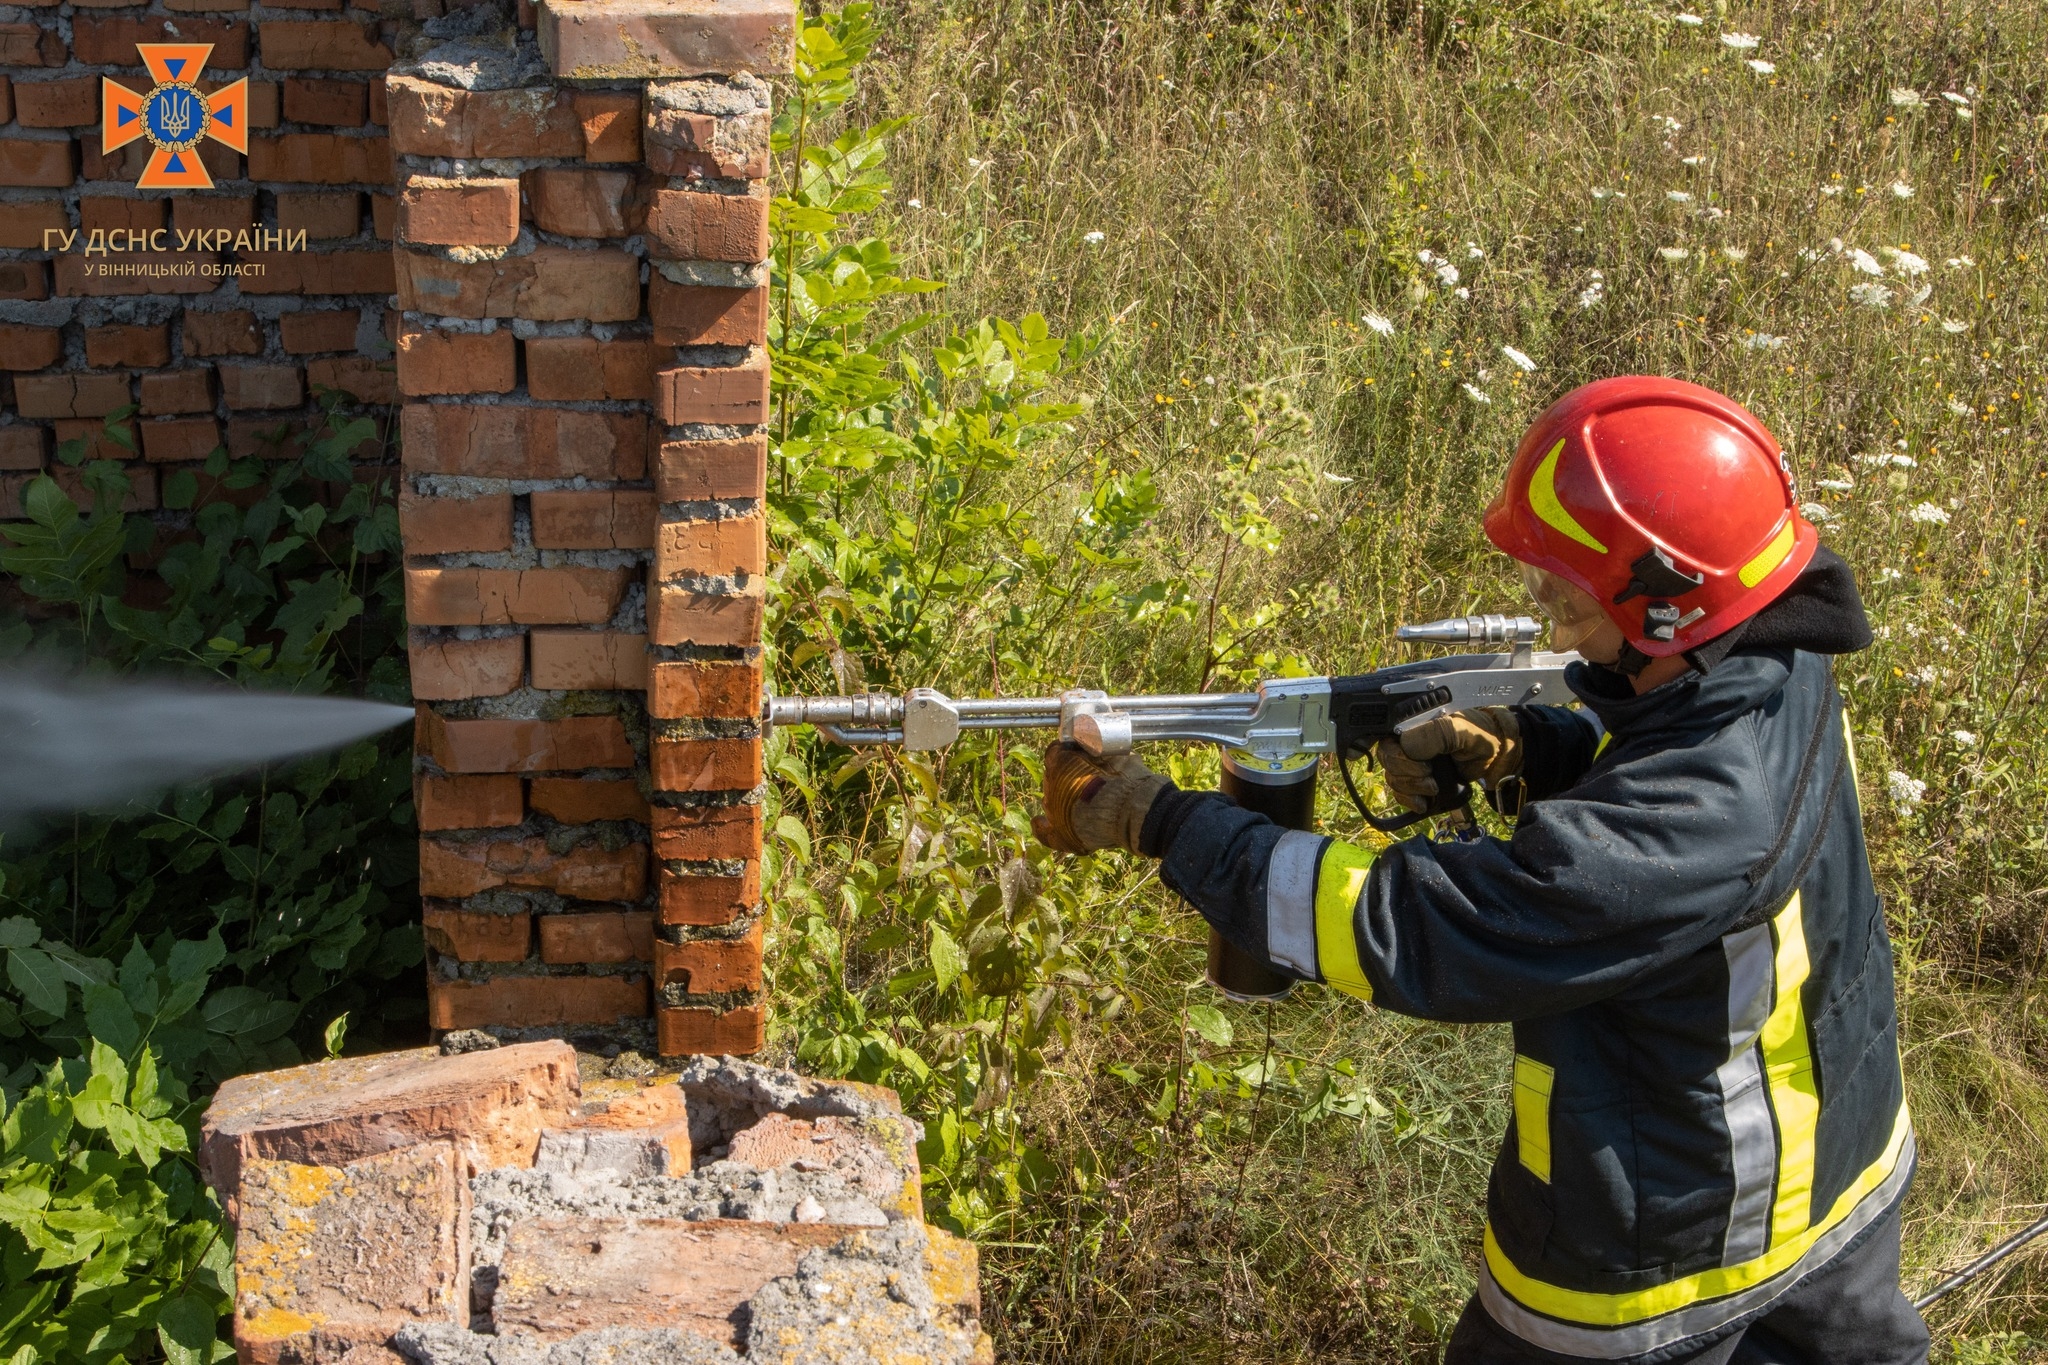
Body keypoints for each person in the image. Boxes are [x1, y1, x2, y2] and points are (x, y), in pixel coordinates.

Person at [1031, 377, 1928, 1364]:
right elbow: (1666, 753)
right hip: (1840, 1171)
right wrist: (1526, 746)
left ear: (1664, 603)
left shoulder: (1692, 821)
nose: (1540, 601)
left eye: (1564, 577)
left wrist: (1163, 824)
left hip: (1662, 1259)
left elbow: (1407, 928)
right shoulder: (1770, 640)